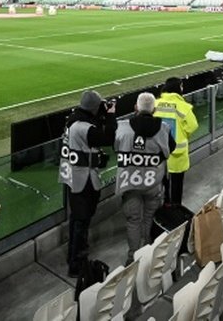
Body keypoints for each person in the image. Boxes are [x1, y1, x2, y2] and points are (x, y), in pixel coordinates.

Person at [58, 90, 116, 277]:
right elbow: (108, 138)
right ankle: (77, 263)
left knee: (77, 218)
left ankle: (73, 256)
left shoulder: (72, 120)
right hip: (83, 179)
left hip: (71, 176)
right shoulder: (84, 128)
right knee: (82, 220)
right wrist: (111, 115)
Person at [115, 92, 175, 264]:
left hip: (130, 184)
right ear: (154, 109)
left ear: (136, 108)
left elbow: (116, 147)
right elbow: (170, 148)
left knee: (133, 220)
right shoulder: (163, 128)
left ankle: (132, 257)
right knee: (149, 217)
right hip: (153, 184)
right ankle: (148, 253)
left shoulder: (122, 127)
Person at [154, 77, 198, 206]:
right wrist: (183, 134)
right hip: (176, 153)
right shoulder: (183, 106)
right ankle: (175, 208)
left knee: (160, 182)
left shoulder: (155, 104)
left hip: (157, 151)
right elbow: (192, 126)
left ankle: (162, 206)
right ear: (178, 88)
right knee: (176, 183)